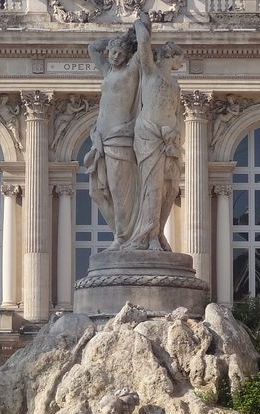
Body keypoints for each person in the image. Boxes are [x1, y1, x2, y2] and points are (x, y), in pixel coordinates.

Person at [84, 20, 148, 250]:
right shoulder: (108, 71)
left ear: (127, 55)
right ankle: (121, 234)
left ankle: (123, 237)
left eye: (120, 53)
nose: (114, 56)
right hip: (101, 138)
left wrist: (138, 25)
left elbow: (144, 45)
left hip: (120, 138)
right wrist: (115, 39)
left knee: (120, 192)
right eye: (112, 52)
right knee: (97, 192)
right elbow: (92, 48)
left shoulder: (132, 71)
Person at [126, 17, 184, 251]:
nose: (182, 62)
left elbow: (177, 113)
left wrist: (175, 135)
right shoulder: (150, 71)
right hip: (149, 134)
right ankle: (147, 236)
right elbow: (143, 43)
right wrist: (141, 22)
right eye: (180, 58)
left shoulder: (175, 84)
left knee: (171, 188)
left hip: (169, 140)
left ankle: (158, 232)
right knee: (153, 186)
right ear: (172, 56)